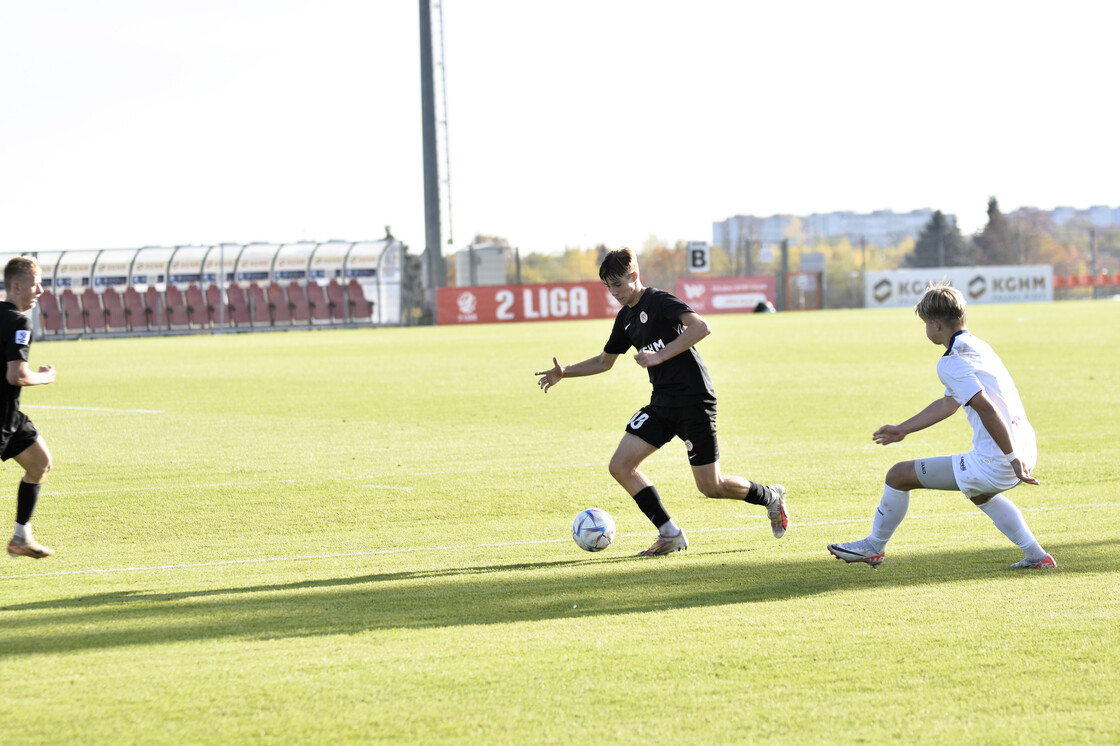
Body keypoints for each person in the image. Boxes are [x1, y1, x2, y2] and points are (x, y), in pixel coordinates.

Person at [535, 247, 788, 556]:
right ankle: (669, 533)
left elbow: (701, 327)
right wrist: (565, 372)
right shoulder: (626, 318)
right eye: (608, 286)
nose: (613, 292)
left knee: (711, 486)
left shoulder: (659, 300)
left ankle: (771, 497)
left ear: (634, 276)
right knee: (621, 466)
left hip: (695, 401)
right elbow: (604, 361)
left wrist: (659, 354)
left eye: (617, 284)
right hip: (662, 403)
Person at [828, 281, 1054, 570]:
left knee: (898, 475)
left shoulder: (951, 361)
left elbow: (985, 407)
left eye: (924, 324)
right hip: (1025, 447)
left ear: (935, 324)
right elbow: (950, 403)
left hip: (1000, 458)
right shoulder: (979, 346)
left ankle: (874, 546)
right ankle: (1037, 556)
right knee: (980, 494)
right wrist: (903, 429)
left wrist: (1011, 460)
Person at [3, 257, 56, 559]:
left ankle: (21, 538)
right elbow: (17, 375)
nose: (41, 289)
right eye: (36, 284)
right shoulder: (19, 321)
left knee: (40, 463)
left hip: (10, 418)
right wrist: (45, 377)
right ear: (18, 286)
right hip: (1, 418)